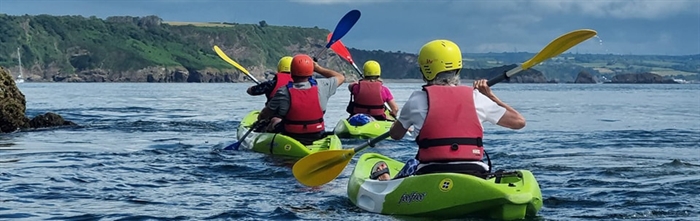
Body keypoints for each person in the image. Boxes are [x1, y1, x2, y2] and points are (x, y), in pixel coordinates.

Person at [370, 39, 526, 181]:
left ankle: (384, 179)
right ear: (458, 68)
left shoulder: (416, 100)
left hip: (430, 172)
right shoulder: (476, 97)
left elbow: (396, 135)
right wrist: (490, 96)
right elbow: (519, 122)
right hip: (474, 172)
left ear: (425, 71)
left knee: (411, 163)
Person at [257, 54, 345, 144]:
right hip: (317, 134)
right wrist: (318, 68)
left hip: (291, 135)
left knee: (274, 120)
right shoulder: (323, 86)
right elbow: (341, 77)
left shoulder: (283, 91)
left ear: (292, 71)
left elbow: (266, 113)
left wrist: (260, 118)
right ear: (311, 71)